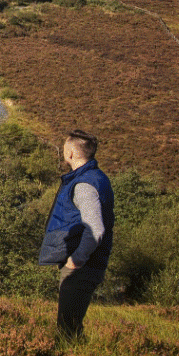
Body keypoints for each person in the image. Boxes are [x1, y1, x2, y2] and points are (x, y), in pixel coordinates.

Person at [38, 128, 114, 340]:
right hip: (87, 263)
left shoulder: (83, 185)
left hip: (82, 266)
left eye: (64, 147)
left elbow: (95, 229)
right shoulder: (96, 177)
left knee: (67, 330)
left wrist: (75, 261)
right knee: (71, 324)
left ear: (70, 153)